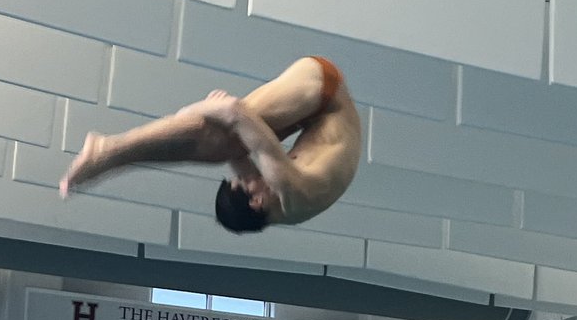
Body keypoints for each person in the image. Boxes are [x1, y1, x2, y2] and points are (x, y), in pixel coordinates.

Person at [59, 56, 361, 232]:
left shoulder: (285, 206)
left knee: (226, 145)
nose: (248, 175)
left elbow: (239, 150)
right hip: (324, 90)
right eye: (246, 181)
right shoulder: (289, 188)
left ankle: (117, 155)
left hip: (314, 108)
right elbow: (232, 112)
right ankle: (111, 150)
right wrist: (190, 112)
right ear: (256, 201)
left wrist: (198, 121)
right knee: (222, 139)